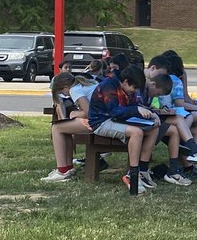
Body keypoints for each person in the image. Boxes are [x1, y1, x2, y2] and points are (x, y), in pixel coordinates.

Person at [86, 65, 164, 195]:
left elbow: (133, 105)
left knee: (154, 127)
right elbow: (115, 111)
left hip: (118, 120)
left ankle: (143, 171)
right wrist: (136, 110)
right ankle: (132, 174)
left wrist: (151, 113)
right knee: (137, 132)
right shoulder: (108, 85)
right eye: (134, 89)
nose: (134, 92)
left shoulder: (127, 87)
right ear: (126, 81)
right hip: (101, 122)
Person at [41, 72, 92, 182]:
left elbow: (89, 113)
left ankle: (62, 170)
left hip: (98, 122)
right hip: (102, 119)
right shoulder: (84, 85)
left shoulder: (75, 90)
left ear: (66, 87)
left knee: (56, 128)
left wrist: (75, 114)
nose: (66, 96)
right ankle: (67, 167)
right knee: (65, 129)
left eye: (62, 92)